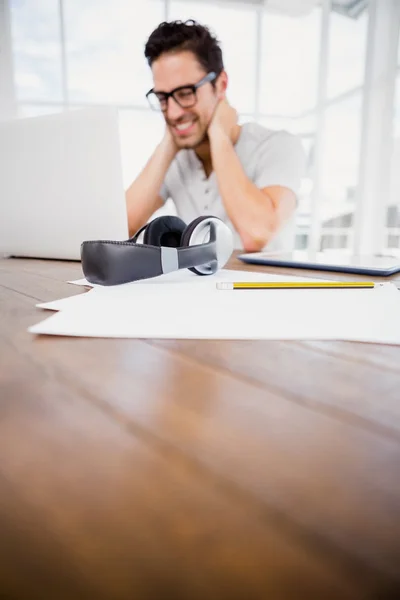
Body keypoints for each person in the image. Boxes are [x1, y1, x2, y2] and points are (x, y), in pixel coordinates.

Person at [125, 19, 306, 252]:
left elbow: (257, 234)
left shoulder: (278, 145)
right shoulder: (177, 157)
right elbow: (121, 228)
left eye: (185, 93)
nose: (173, 112)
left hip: (264, 287)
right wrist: (167, 144)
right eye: (163, 98)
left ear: (221, 84)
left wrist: (219, 134)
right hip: (199, 287)